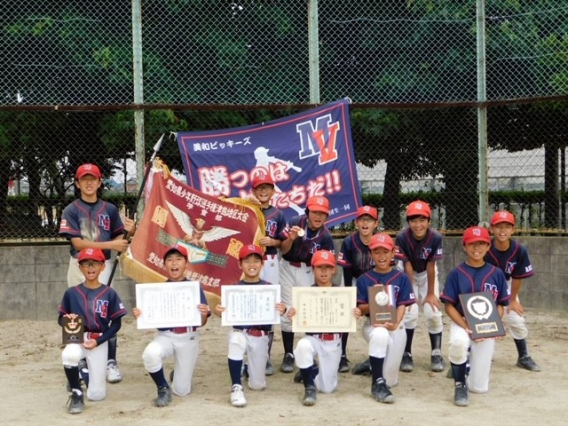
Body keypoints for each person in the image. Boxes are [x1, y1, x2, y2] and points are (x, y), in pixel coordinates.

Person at [59, 163, 136, 383]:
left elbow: (121, 240)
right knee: (75, 310)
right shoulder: (71, 209)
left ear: (100, 182)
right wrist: (110, 244)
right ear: (77, 183)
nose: (89, 182)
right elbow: (77, 242)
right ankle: (78, 361)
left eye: (93, 178)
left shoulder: (110, 209)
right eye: (84, 179)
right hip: (79, 263)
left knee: (106, 312)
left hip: (104, 266)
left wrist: (131, 231)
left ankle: (110, 361)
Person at [133, 244, 210, 407]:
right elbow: (150, 320)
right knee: (150, 354)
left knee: (182, 390)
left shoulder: (194, 288)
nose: (174, 263)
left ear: (186, 264)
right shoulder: (157, 290)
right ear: (164, 264)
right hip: (166, 336)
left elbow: (202, 323)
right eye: (169, 260)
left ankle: (180, 373)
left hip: (188, 336)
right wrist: (141, 315)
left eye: (178, 259)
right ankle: (162, 387)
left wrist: (203, 313)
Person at [440, 226, 510, 407]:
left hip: (486, 327)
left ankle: (468, 369)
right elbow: (448, 306)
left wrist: (494, 324)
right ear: (464, 246)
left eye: (481, 244)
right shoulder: (456, 273)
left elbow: (501, 304)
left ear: (488, 247)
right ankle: (459, 383)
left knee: (479, 388)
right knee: (458, 342)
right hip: (462, 322)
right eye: (472, 244)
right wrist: (464, 325)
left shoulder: (497, 274)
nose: (476, 248)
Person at [215, 244, 286, 407]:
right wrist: (220, 310)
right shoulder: (234, 289)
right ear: (240, 264)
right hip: (240, 332)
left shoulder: (269, 288)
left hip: (260, 336)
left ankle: (245, 368)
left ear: (262, 264)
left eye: (256, 261)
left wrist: (283, 309)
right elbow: (223, 311)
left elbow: (281, 310)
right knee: (236, 341)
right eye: (247, 261)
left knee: (258, 385)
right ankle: (236, 386)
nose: (252, 265)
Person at [58, 248, 127, 414]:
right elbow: (61, 318)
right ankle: (76, 393)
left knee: (97, 395)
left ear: (103, 266)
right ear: (79, 267)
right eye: (85, 263)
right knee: (69, 355)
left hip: (99, 339)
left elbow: (116, 324)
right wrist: (71, 323)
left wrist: (98, 341)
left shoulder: (110, 293)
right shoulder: (71, 293)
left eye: (95, 263)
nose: (90, 267)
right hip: (78, 337)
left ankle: (83, 369)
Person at [287, 250, 361, 406]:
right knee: (302, 346)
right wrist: (294, 313)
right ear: (313, 270)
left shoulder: (342, 295)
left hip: (333, 342)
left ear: (334, 269)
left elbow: (348, 319)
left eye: (328, 267)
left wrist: (354, 312)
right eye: (320, 267)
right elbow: (299, 318)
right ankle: (308, 387)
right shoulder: (305, 294)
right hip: (314, 338)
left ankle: (310, 369)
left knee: (327, 388)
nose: (324, 271)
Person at [356, 233, 416, 403]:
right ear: (371, 254)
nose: (381, 256)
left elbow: (403, 304)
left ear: (392, 253)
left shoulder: (401, 277)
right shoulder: (364, 279)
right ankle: (377, 383)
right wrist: (376, 301)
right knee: (380, 335)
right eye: (377, 252)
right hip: (373, 324)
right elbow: (361, 309)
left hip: (396, 325)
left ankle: (372, 363)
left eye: (385, 252)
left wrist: (396, 322)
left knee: (392, 381)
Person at [278, 195, 335, 373]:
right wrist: (291, 238)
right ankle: (288, 353)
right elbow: (284, 249)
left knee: (308, 311)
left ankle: (310, 352)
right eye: (315, 212)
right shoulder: (295, 221)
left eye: (322, 213)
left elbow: (327, 265)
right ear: (308, 211)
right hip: (287, 267)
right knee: (287, 310)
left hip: (309, 271)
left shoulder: (326, 236)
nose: (318, 216)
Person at [394, 200, 445, 373]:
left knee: (433, 311)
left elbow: (431, 266)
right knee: (410, 312)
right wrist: (410, 295)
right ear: (408, 222)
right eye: (414, 220)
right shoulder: (402, 237)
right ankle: (406, 352)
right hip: (406, 274)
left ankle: (436, 352)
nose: (418, 224)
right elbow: (407, 265)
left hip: (427, 274)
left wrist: (430, 294)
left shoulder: (436, 237)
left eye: (422, 220)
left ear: (429, 221)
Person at [486, 211, 540, 371]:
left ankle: (523, 356)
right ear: (492, 229)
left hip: (507, 284)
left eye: (507, 227)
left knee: (516, 318)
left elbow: (517, 277)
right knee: (484, 321)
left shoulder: (519, 250)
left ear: (513, 230)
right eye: (498, 227)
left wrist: (513, 299)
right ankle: (471, 357)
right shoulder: (485, 246)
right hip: (486, 285)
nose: (502, 231)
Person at [251, 174, 288, 376]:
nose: (263, 191)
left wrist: (272, 242)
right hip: (250, 262)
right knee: (252, 304)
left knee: (269, 306)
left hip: (271, 260)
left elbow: (283, 241)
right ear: (253, 191)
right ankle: (252, 353)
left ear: (273, 191)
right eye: (259, 188)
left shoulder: (278, 214)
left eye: (267, 188)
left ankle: (265, 357)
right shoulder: (247, 210)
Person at [337, 205, 379, 374]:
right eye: (362, 219)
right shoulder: (349, 242)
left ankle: (376, 356)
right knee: (346, 315)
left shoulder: (381, 240)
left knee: (377, 316)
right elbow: (346, 270)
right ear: (356, 223)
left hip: (374, 282)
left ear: (376, 223)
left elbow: (386, 269)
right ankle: (341, 355)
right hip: (353, 279)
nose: (365, 223)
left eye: (369, 220)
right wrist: (350, 295)